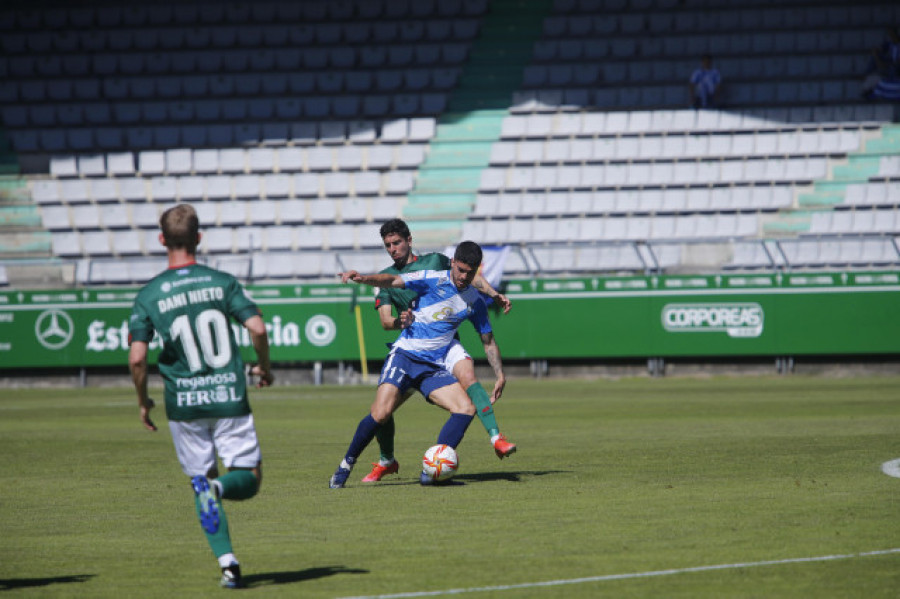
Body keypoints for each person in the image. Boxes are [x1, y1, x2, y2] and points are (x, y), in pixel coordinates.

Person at [128, 204, 274, 589]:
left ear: (162, 240)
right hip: (227, 396)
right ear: (199, 238)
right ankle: (221, 489)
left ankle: (228, 563)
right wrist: (264, 367)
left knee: (200, 481)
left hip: (183, 404)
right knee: (250, 479)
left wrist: (143, 401)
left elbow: (138, 358)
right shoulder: (221, 282)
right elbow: (257, 328)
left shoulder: (149, 295)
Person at [330, 241, 507, 488]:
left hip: (433, 367)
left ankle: (432, 470)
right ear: (453, 263)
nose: (464, 277)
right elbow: (392, 281)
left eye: (470, 272)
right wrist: (363, 279)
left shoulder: (474, 301)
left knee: (466, 408)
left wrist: (499, 374)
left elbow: (488, 341)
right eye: (461, 270)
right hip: (405, 355)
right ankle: (346, 465)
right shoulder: (431, 277)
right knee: (381, 413)